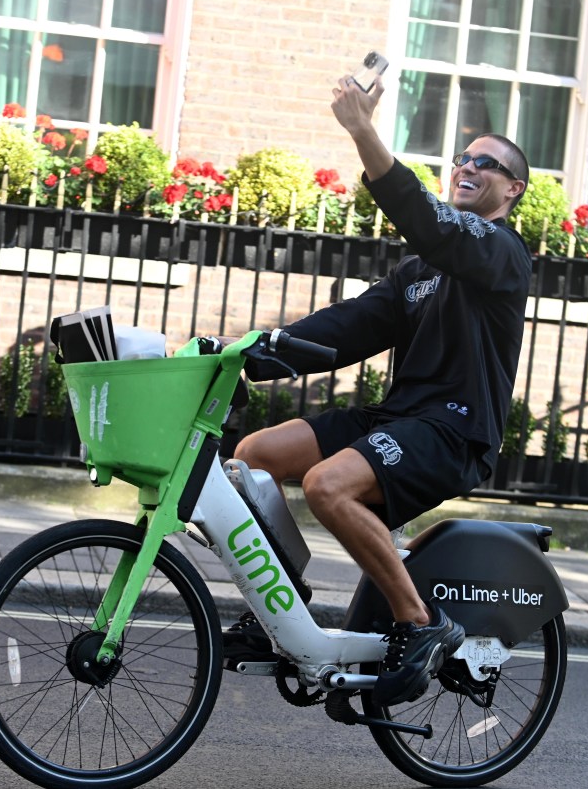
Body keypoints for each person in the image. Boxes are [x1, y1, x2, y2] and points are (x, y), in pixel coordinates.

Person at [222, 72, 531, 707]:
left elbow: (432, 223)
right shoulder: (418, 273)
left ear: (511, 189)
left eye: (488, 163)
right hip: (398, 418)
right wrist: (252, 354)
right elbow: (348, 328)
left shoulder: (500, 252)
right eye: (464, 158)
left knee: (327, 485)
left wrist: (364, 131)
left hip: (452, 430)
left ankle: (421, 623)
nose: (470, 166)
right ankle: (282, 606)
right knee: (253, 458)